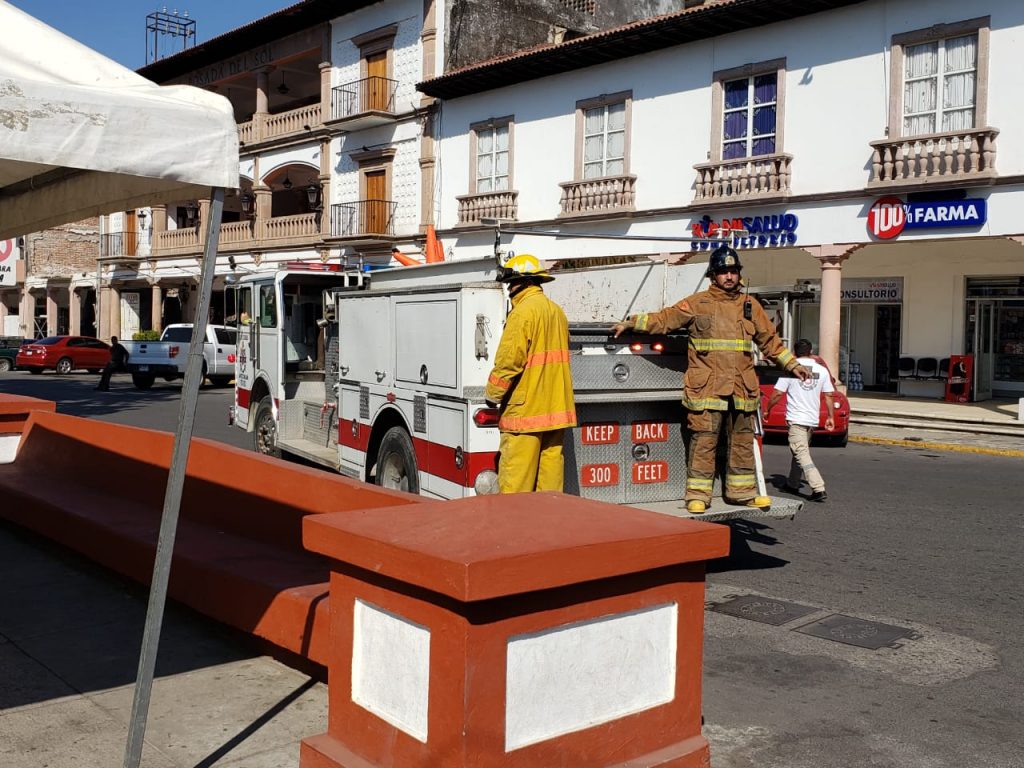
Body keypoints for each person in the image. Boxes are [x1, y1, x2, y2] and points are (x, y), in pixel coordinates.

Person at [612, 244, 810, 514]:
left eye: (733, 271)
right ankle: (698, 495)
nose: (729, 276)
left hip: (741, 389)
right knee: (704, 441)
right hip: (708, 388)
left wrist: (792, 365)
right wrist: (633, 322)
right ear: (713, 275)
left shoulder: (750, 306)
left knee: (742, 441)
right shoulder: (697, 304)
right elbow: (666, 319)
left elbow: (770, 342)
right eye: (723, 272)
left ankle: (742, 493)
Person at [485, 253, 577, 493]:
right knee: (549, 489)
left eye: (511, 283)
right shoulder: (557, 312)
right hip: (555, 411)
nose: (508, 290)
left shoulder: (522, 313)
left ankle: (516, 521)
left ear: (524, 282)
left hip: (525, 414)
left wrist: (493, 394)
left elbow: (509, 361)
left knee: (516, 488)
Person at [762, 339, 836, 502]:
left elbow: (777, 393)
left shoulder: (791, 369)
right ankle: (793, 483)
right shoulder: (822, 370)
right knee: (799, 451)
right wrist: (830, 417)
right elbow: (829, 395)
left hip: (796, 419)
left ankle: (818, 488)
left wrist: (767, 409)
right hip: (812, 420)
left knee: (801, 453)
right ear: (811, 352)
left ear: (794, 353)